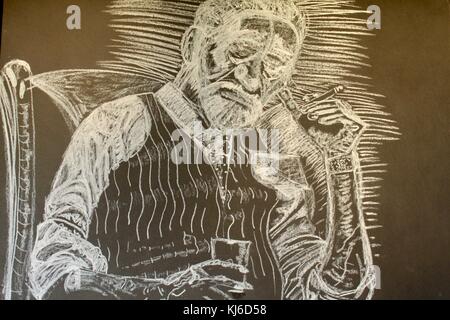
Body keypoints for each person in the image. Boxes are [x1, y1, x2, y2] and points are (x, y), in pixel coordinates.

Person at [28, 0, 375, 300]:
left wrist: (341, 160)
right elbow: (55, 267)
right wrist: (162, 292)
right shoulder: (119, 122)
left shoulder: (270, 156)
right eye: (240, 51)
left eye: (273, 65)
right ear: (193, 44)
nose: (253, 79)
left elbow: (335, 288)